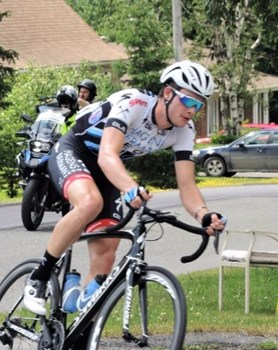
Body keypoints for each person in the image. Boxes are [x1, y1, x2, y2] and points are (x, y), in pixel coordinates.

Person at [19, 61, 227, 320]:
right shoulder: (134, 103)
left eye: (200, 105)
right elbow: (107, 155)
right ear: (167, 93)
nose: (192, 111)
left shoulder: (184, 131)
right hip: (75, 150)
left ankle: (79, 344)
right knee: (89, 202)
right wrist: (130, 188)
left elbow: (187, 185)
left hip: (107, 170)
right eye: (189, 102)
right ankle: (38, 278)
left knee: (107, 255)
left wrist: (204, 215)